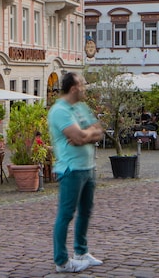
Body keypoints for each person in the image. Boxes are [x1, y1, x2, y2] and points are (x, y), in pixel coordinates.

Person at [48, 71, 104, 273]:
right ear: (74, 88)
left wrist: (85, 134)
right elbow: (78, 137)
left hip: (88, 167)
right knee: (66, 214)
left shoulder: (80, 107)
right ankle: (62, 261)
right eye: (83, 84)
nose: (85, 88)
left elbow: (97, 131)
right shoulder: (59, 111)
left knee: (86, 212)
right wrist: (86, 135)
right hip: (71, 169)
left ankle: (81, 252)